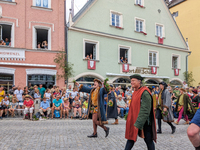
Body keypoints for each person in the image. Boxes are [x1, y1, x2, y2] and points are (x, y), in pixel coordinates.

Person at [125, 74, 157, 150]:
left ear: (139, 81)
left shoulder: (145, 92)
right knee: (131, 138)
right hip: (136, 120)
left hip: (145, 122)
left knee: (148, 140)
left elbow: (145, 109)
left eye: (133, 80)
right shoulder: (135, 92)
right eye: (131, 81)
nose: (131, 82)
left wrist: (138, 123)